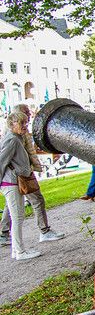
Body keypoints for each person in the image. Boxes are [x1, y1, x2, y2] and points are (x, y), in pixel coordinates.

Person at [0, 104, 65, 247]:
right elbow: (3, 159)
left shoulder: (18, 133)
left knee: (12, 207)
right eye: (25, 115)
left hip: (22, 174)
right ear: (17, 119)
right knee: (36, 201)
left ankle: (4, 233)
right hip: (20, 176)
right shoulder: (12, 137)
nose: (28, 117)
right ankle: (43, 231)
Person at [0, 111, 41, 260]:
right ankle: (20, 251)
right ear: (12, 124)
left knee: (17, 215)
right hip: (10, 182)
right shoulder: (11, 140)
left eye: (25, 122)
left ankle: (17, 250)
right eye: (21, 123)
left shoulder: (16, 138)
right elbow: (1, 161)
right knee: (17, 216)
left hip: (13, 180)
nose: (25, 126)